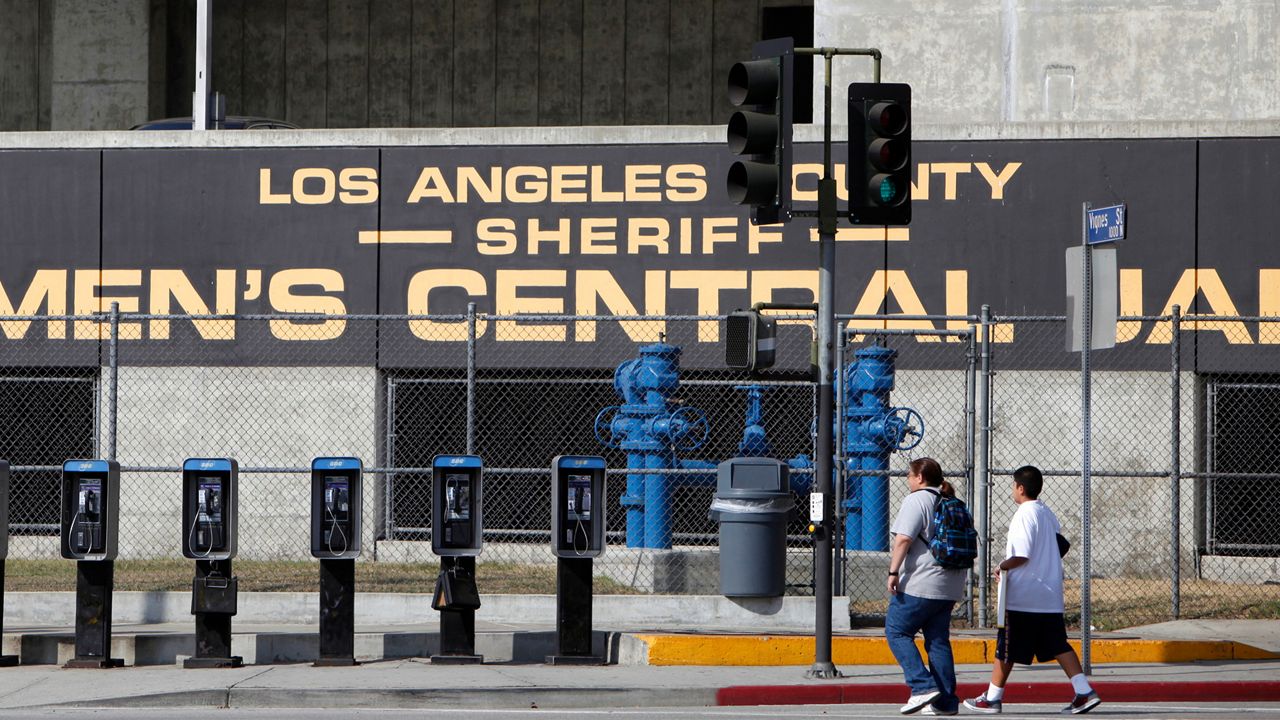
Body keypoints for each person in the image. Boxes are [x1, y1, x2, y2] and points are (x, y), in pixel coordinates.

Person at [963, 465, 1102, 715]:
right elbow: (1060, 546)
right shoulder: (1047, 513)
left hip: (1023, 597)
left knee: (1006, 648)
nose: (1012, 492)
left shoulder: (1024, 514)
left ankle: (992, 698)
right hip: (1048, 596)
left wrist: (1001, 567)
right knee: (1059, 645)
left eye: (1013, 487)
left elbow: (1021, 555)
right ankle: (1084, 691)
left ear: (1021, 488)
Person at [886, 457, 967, 716]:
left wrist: (893, 571)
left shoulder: (916, 500)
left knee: (897, 631)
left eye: (909, 476)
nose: (908, 481)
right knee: (937, 640)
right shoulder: (951, 501)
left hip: (922, 582)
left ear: (919, 478)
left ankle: (921, 686)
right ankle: (945, 701)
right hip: (951, 584)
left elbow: (903, 540)